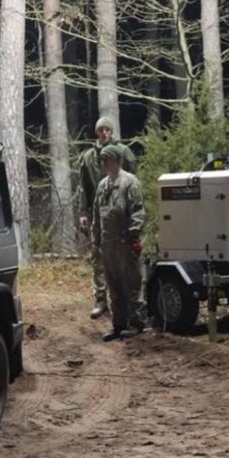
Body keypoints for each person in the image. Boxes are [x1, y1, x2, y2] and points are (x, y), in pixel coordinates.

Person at [76, 117, 137, 320]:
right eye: (100, 130)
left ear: (111, 132)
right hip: (97, 211)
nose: (103, 133)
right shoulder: (88, 157)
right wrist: (83, 213)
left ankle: (126, 302)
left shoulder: (123, 152)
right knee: (98, 256)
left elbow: (133, 180)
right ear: (96, 132)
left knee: (123, 257)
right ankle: (101, 298)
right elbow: (84, 187)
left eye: (106, 129)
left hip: (120, 212)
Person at [91, 144, 146, 342]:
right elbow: (97, 215)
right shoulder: (102, 185)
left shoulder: (130, 183)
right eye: (102, 160)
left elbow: (137, 211)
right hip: (108, 244)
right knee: (114, 285)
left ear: (116, 160)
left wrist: (133, 235)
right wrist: (96, 240)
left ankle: (136, 323)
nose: (104, 163)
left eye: (107, 159)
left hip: (125, 242)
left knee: (131, 283)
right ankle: (119, 324)